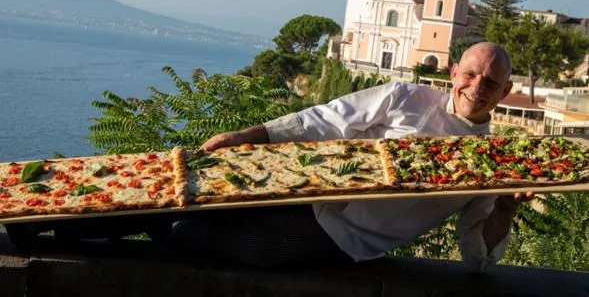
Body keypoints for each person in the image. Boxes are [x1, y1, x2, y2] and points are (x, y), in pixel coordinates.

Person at [7, 42, 531, 272]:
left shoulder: (495, 165)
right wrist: (249, 135)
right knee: (181, 191)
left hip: (337, 239)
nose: (476, 86)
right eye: (470, 73)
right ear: (454, 72)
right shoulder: (408, 97)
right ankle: (41, 224)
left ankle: (56, 237)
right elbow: (325, 119)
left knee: (188, 235)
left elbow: (477, 261)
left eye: (489, 81)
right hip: (296, 191)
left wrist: (505, 208)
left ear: (504, 92)